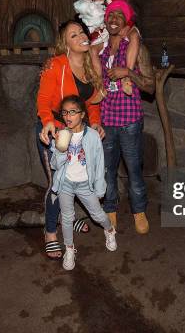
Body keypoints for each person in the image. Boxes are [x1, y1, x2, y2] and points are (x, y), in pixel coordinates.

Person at [36, 20, 106, 259]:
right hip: (56, 130)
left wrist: (95, 122)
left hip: (79, 131)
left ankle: (70, 218)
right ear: (65, 43)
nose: (81, 36)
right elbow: (44, 100)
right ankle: (50, 233)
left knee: (78, 177)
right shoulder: (55, 65)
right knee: (58, 183)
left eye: (82, 32)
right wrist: (47, 121)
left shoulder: (89, 67)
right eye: (73, 35)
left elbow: (91, 102)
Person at [99, 0, 149, 234]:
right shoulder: (100, 50)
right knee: (108, 170)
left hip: (129, 120)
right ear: (105, 21)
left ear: (126, 20)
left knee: (133, 169)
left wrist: (127, 72)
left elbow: (151, 85)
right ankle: (110, 211)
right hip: (107, 120)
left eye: (119, 15)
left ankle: (139, 211)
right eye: (110, 15)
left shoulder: (135, 46)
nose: (114, 19)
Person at [49, 95, 117, 270]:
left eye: (72, 112)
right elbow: (54, 165)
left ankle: (110, 230)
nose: (68, 116)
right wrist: (60, 149)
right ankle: (69, 249)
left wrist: (100, 188)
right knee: (66, 217)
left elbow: (100, 164)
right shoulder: (61, 134)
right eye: (64, 112)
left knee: (98, 215)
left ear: (82, 114)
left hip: (85, 184)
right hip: (66, 183)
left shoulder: (93, 136)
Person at [73, 0, 141, 101]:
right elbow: (90, 31)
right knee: (92, 50)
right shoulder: (86, 6)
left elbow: (132, 15)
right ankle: (100, 87)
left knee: (134, 35)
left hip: (120, 29)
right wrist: (96, 33)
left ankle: (127, 78)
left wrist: (128, 26)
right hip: (102, 36)